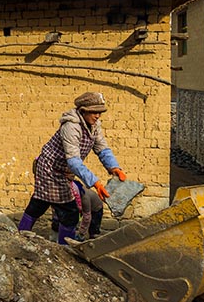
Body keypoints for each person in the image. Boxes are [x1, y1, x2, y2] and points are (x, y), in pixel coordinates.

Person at [18, 91, 127, 244]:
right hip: (51, 170)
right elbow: (74, 161)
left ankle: (20, 233)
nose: (97, 116)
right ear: (83, 111)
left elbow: (102, 148)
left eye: (100, 112)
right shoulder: (71, 126)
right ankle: (64, 247)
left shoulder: (94, 126)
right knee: (69, 212)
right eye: (94, 112)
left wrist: (114, 167)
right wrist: (95, 182)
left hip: (64, 171)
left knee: (40, 202)